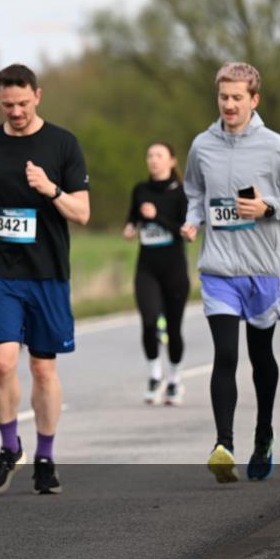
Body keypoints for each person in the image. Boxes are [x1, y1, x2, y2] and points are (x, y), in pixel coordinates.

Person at [180, 62, 280, 484]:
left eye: (238, 97)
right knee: (225, 355)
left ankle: (264, 433)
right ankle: (224, 445)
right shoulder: (202, 145)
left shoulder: (276, 146)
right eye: (224, 97)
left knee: (260, 358)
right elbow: (195, 192)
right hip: (219, 268)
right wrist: (192, 219)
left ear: (254, 99)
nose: (230, 105)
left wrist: (268, 207)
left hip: (262, 269)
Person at [0, 64, 90, 495]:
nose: (16, 111)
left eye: (22, 103)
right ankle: (8, 447)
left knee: (42, 369)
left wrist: (51, 190)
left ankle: (45, 456)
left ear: (37, 95)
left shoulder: (63, 144)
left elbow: (83, 212)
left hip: (48, 273)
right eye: (7, 105)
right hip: (1, 270)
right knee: (2, 361)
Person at [122, 143, 190, 406]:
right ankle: (154, 375)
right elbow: (132, 220)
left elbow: (185, 230)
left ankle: (174, 381)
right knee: (149, 321)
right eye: (149, 155)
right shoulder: (140, 190)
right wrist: (130, 229)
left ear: (171, 161)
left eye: (159, 156)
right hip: (147, 268)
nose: (153, 160)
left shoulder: (182, 193)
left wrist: (157, 217)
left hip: (174, 269)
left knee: (174, 329)